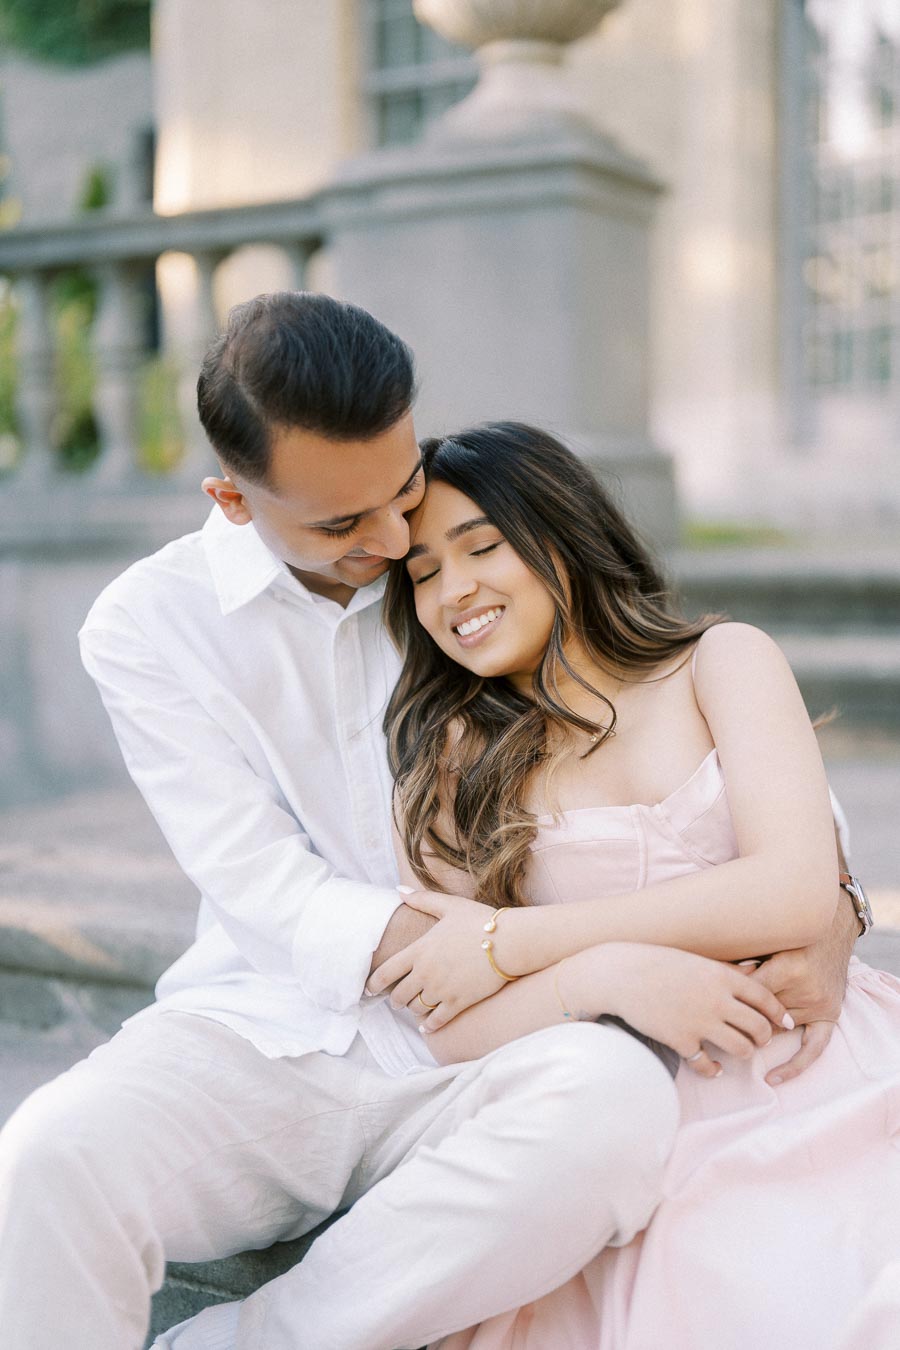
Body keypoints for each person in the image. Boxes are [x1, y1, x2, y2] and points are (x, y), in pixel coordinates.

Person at [0, 293, 858, 1350]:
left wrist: (834, 906)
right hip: (275, 1022)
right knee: (46, 1160)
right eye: (347, 525)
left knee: (612, 1109)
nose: (401, 538)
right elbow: (259, 881)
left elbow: (692, 751)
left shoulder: (465, 568)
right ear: (232, 499)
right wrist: (568, 961)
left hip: (504, 1044)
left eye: (403, 490)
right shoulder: (146, 627)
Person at [369, 421, 900, 1350]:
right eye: (421, 574)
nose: (454, 592)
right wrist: (600, 977)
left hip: (820, 1059)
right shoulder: (457, 757)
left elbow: (793, 890)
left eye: (483, 548)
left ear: (564, 535)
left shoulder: (721, 664)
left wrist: (519, 943)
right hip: (631, 1104)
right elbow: (451, 1028)